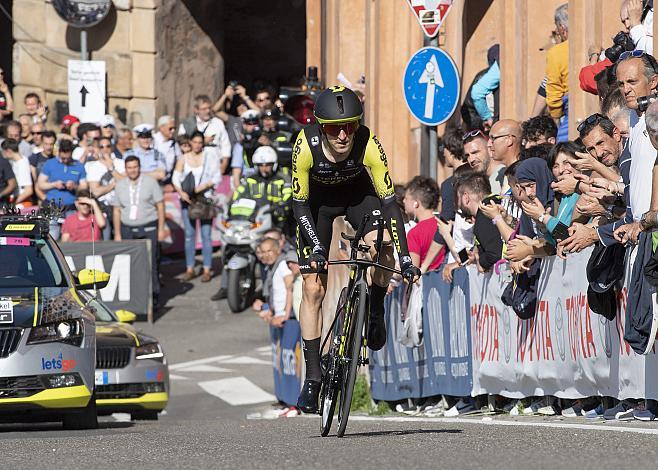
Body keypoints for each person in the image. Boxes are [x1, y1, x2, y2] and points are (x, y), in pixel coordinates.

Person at [291, 86, 420, 413]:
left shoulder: (369, 143)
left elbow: (391, 205)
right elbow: (300, 205)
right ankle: (313, 377)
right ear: (321, 126)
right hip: (317, 207)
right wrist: (317, 248)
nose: (344, 134)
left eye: (350, 125)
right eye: (335, 128)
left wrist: (405, 258)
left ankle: (374, 307)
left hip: (359, 197)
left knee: (383, 241)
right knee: (312, 287)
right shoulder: (305, 145)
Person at [113, 156, 165, 307]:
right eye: (129, 167)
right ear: (125, 169)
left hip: (149, 227)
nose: (132, 170)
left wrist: (161, 229)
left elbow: (160, 206)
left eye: (135, 167)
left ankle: (153, 297)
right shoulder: (121, 185)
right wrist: (117, 233)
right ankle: (134, 298)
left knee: (151, 263)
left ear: (139, 167)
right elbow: (117, 210)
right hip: (127, 229)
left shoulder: (150, 182)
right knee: (130, 264)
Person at [172, 131, 221, 283]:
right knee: (189, 235)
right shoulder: (183, 158)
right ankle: (190, 268)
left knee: (206, 235)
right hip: (188, 200)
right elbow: (175, 178)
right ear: (190, 142)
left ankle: (207, 268)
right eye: (195, 142)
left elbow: (217, 176)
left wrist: (201, 187)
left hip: (204, 199)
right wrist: (182, 193)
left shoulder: (209, 156)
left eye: (200, 142)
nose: (197, 145)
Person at [456, 172, 504, 272]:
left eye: (458, 199)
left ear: (466, 198)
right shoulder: (497, 201)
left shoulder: (484, 213)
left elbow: (494, 254)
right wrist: (476, 255)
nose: (458, 204)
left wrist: (481, 261)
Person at [86, 136, 126, 240]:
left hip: (121, 206)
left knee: (121, 238)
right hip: (103, 208)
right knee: (106, 238)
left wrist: (111, 168)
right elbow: (95, 192)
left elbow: (126, 184)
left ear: (112, 147)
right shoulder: (94, 166)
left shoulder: (120, 163)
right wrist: (113, 185)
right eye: (102, 146)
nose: (105, 149)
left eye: (108, 146)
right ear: (98, 148)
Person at [403, 176, 445, 274]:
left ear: (416, 203)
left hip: (425, 286)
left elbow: (413, 270)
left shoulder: (414, 233)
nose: (404, 201)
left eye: (406, 198)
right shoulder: (444, 224)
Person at [178, 94, 231, 172]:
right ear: (196, 110)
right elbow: (181, 144)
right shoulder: (187, 124)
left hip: (214, 165)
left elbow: (225, 145)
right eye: (204, 109)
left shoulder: (217, 123)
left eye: (209, 108)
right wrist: (202, 142)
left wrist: (223, 165)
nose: (208, 111)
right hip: (193, 166)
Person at [546, 4, 569, 136]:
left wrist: (556, 114)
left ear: (562, 27)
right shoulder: (591, 46)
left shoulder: (556, 52)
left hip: (568, 107)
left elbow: (554, 88)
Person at [463, 129, 504, 194]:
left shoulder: (503, 175)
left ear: (490, 149)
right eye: (467, 155)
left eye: (475, 152)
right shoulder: (484, 181)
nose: (471, 160)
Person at [230, 109, 262, 188]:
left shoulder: (264, 141)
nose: (253, 126)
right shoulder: (240, 146)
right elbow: (236, 172)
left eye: (255, 123)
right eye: (249, 124)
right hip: (247, 183)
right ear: (244, 125)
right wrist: (238, 193)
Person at [1, 139, 33, 206]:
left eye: (3, 152)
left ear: (8, 151)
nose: (2, 154)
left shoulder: (22, 164)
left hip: (23, 204)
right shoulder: (16, 162)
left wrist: (13, 204)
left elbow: (28, 190)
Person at [153, 115, 182, 181]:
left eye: (174, 128)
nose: (173, 131)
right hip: (154, 178)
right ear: (161, 128)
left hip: (169, 179)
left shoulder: (174, 143)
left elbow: (180, 159)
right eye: (170, 128)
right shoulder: (153, 141)